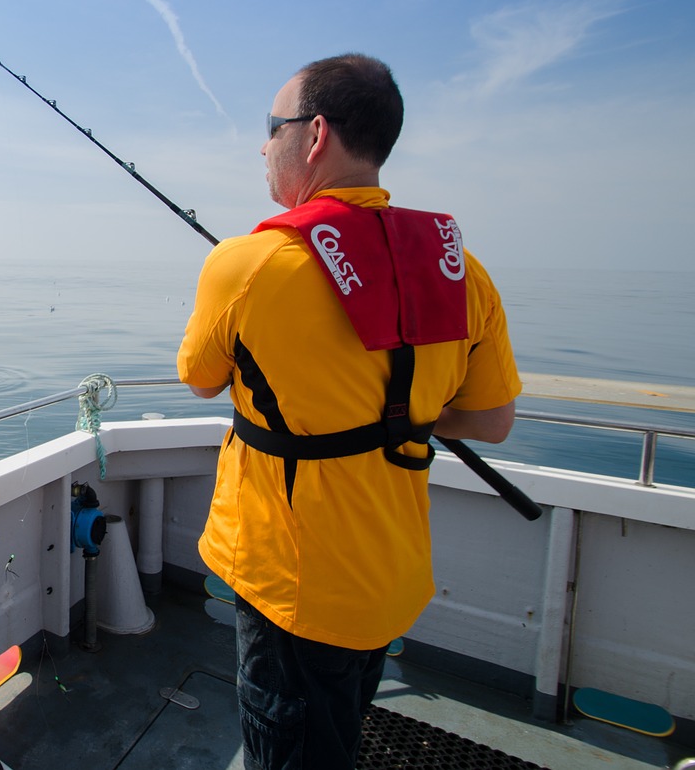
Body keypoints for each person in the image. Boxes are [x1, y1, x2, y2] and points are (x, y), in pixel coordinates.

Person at [176, 53, 522, 770]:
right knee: (336, 731)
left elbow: (198, 380)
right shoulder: (464, 271)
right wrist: (410, 416)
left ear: (314, 134)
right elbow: (491, 421)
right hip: (391, 577)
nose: (264, 145)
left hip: (294, 590)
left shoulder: (249, 263)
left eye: (272, 127)